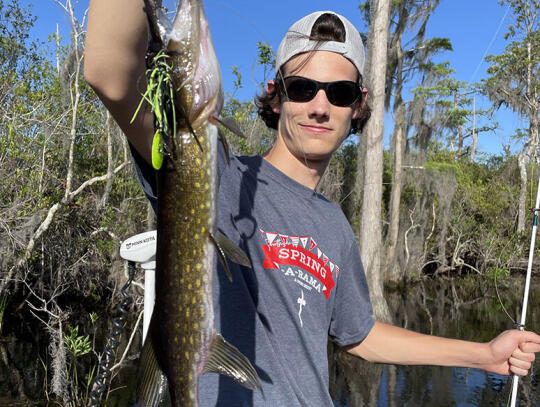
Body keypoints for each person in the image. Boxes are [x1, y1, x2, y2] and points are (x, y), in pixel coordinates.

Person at [84, 2, 540, 406]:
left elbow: (359, 334)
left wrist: (482, 355)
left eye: (338, 93)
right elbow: (107, 71)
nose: (320, 106)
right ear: (277, 96)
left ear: (357, 107)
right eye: (303, 88)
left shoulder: (334, 223)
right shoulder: (214, 171)